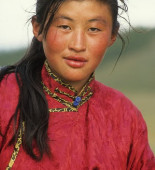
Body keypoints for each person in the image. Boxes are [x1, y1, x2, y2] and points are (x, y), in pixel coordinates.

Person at [0, 0, 155, 169]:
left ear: (113, 34)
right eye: (65, 26)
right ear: (38, 27)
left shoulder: (125, 117)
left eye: (93, 29)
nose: (78, 45)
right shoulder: (5, 96)